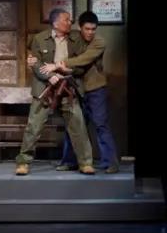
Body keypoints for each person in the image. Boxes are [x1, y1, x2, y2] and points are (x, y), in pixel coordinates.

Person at [14, 9, 95, 176]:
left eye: (70, 20)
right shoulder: (39, 39)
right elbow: (35, 63)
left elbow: (81, 64)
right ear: (56, 23)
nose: (70, 22)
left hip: (68, 87)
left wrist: (67, 71)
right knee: (34, 126)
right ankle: (23, 162)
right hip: (44, 88)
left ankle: (85, 163)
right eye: (66, 19)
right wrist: (50, 76)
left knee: (78, 125)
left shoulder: (76, 39)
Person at [45, 11, 120, 174]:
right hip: (76, 88)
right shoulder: (74, 38)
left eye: (93, 29)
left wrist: (59, 64)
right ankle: (69, 161)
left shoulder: (99, 42)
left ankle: (111, 162)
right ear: (80, 28)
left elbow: (84, 59)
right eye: (87, 29)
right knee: (74, 125)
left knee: (100, 124)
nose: (90, 32)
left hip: (96, 89)